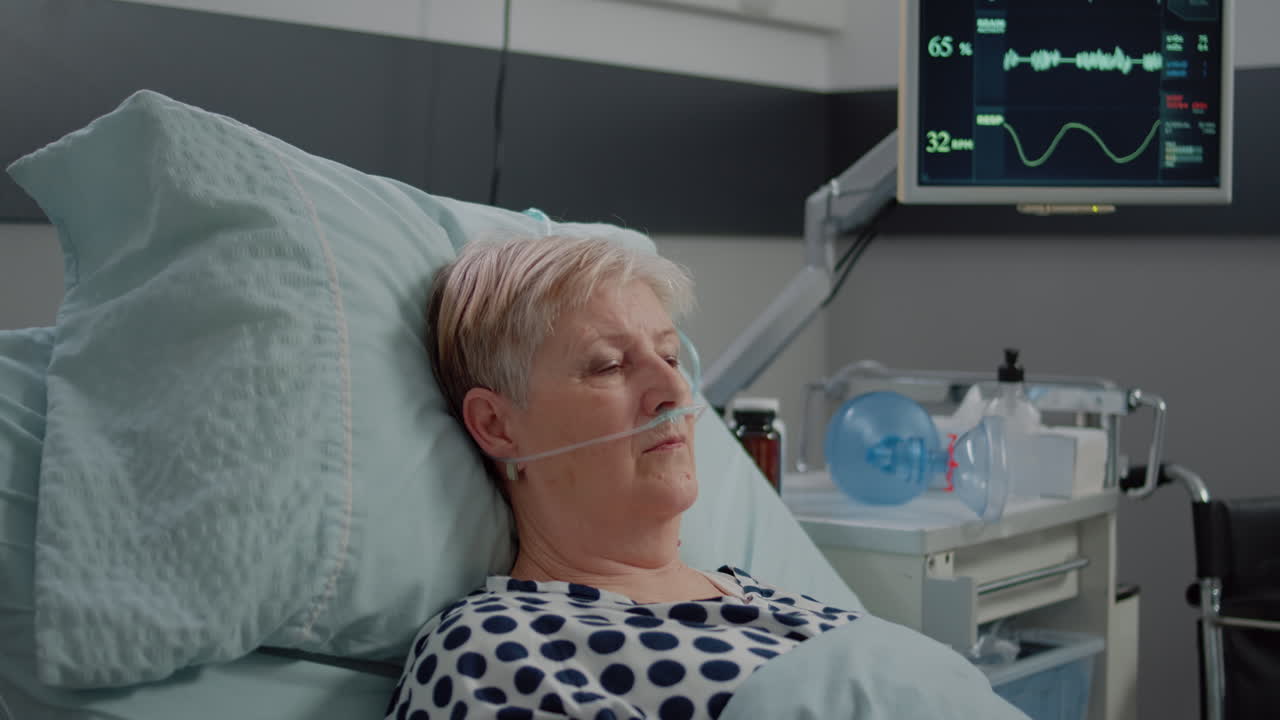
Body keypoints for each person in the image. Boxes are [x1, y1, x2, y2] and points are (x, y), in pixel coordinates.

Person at [386, 234, 859, 720]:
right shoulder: (499, 652)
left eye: (671, 358)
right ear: (496, 426)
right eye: (609, 365)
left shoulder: (780, 603)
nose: (675, 389)